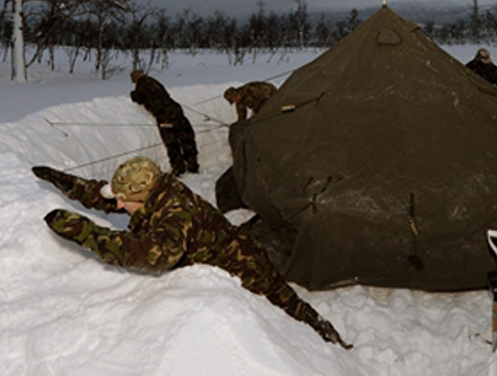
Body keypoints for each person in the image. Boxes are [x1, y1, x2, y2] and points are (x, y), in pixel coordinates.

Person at [33, 158, 351, 349]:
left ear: (142, 196)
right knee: (288, 306)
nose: (116, 206)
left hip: (243, 266)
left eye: (123, 200)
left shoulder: (175, 214)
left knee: (289, 309)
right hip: (231, 248)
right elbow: (107, 196)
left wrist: (87, 233)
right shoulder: (153, 190)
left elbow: (154, 256)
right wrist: (64, 182)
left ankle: (331, 345)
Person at [129, 69, 198, 175]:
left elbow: (138, 98)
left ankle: (178, 167)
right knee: (187, 138)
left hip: (164, 116)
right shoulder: (155, 82)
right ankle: (193, 165)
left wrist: (132, 94)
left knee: (171, 142)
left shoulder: (142, 85)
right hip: (176, 110)